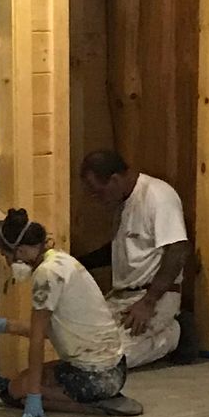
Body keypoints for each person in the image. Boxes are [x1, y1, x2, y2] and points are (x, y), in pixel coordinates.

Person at [0, 211, 143, 417]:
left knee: (17, 391)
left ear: (20, 250)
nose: (9, 263)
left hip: (95, 377)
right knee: (20, 382)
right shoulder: (61, 259)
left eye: (7, 256)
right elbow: (49, 330)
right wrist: (4, 326)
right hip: (114, 368)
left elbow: (37, 340)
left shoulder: (46, 274)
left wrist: (34, 394)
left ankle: (92, 406)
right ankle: (96, 396)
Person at [78, 149, 189, 368]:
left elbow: (177, 250)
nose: (98, 200)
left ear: (115, 180)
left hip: (154, 296)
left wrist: (148, 302)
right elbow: (122, 249)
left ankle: (174, 335)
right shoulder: (123, 203)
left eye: (98, 193)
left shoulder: (157, 196)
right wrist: (78, 263)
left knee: (110, 359)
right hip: (121, 296)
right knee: (82, 344)